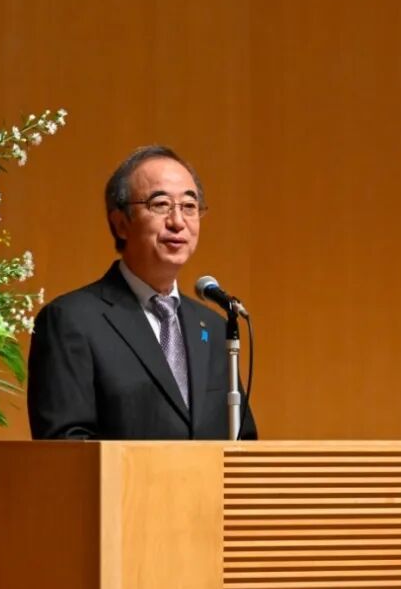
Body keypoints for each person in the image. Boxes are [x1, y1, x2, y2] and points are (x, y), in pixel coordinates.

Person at [27, 146, 257, 440]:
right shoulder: (70, 321)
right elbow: (66, 444)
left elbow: (243, 440)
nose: (178, 222)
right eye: (160, 204)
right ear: (121, 223)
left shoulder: (214, 328)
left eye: (189, 206)